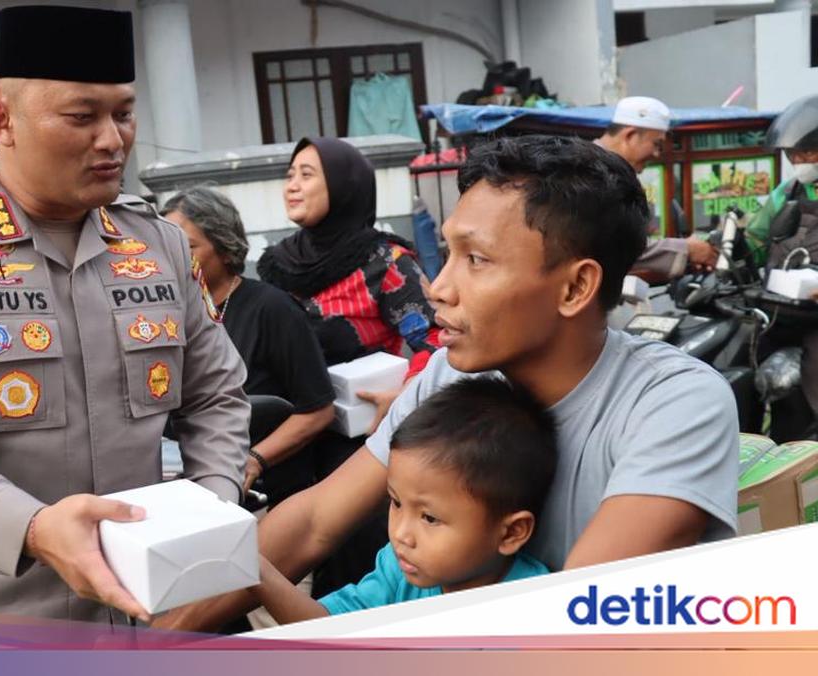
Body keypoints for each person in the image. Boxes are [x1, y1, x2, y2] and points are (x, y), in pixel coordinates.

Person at [156, 134, 739, 632]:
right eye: (449, 253)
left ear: (574, 288)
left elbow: (569, 620)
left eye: (476, 260)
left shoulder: (673, 404)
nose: (438, 287)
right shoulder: (446, 377)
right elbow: (311, 522)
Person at [0, 5, 247, 622]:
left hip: (148, 607)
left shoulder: (158, 243)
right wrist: (31, 528)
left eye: (124, 113)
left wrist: (211, 505)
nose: (112, 139)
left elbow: (217, 394)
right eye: (82, 117)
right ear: (1, 121)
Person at [257, 136, 438, 597]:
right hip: (292, 440)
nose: (292, 186)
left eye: (307, 174)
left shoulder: (385, 262)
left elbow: (436, 338)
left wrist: (407, 392)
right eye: (290, 174)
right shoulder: (276, 265)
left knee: (356, 566)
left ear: (344, 186)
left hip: (362, 443)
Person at [253, 378, 555, 623]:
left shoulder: (535, 612)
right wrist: (258, 570)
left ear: (511, 532)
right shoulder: (399, 570)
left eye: (430, 518)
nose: (400, 534)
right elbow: (328, 628)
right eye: (395, 503)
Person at [162, 187, 334, 505]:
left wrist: (255, 459)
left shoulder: (272, 308)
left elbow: (318, 410)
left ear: (225, 248)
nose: (171, 259)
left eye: (186, 248)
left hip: (267, 492)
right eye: (165, 248)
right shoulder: (168, 315)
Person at [745, 93, 818, 433]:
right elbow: (756, 237)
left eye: (806, 152)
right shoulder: (787, 193)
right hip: (779, 312)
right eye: (793, 154)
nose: (798, 161)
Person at [594, 96, 718, 283]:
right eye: (657, 144)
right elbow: (611, 247)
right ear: (630, 136)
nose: (657, 154)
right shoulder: (590, 174)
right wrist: (687, 249)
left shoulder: (611, 171)